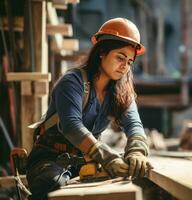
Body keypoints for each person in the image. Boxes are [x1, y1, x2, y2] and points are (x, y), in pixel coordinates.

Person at [26, 17, 151, 200]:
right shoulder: (73, 82)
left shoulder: (122, 92)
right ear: (102, 51)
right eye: (120, 57)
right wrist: (108, 157)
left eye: (130, 62)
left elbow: (134, 124)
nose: (125, 66)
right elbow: (71, 126)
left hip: (87, 160)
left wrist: (137, 151)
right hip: (49, 159)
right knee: (53, 185)